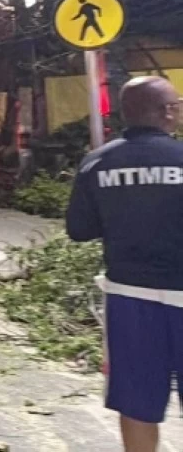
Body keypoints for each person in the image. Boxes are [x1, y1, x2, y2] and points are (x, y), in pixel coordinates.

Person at [67, 76, 183, 452]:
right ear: (167, 111)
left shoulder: (96, 163)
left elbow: (79, 230)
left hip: (129, 300)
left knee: (136, 403)